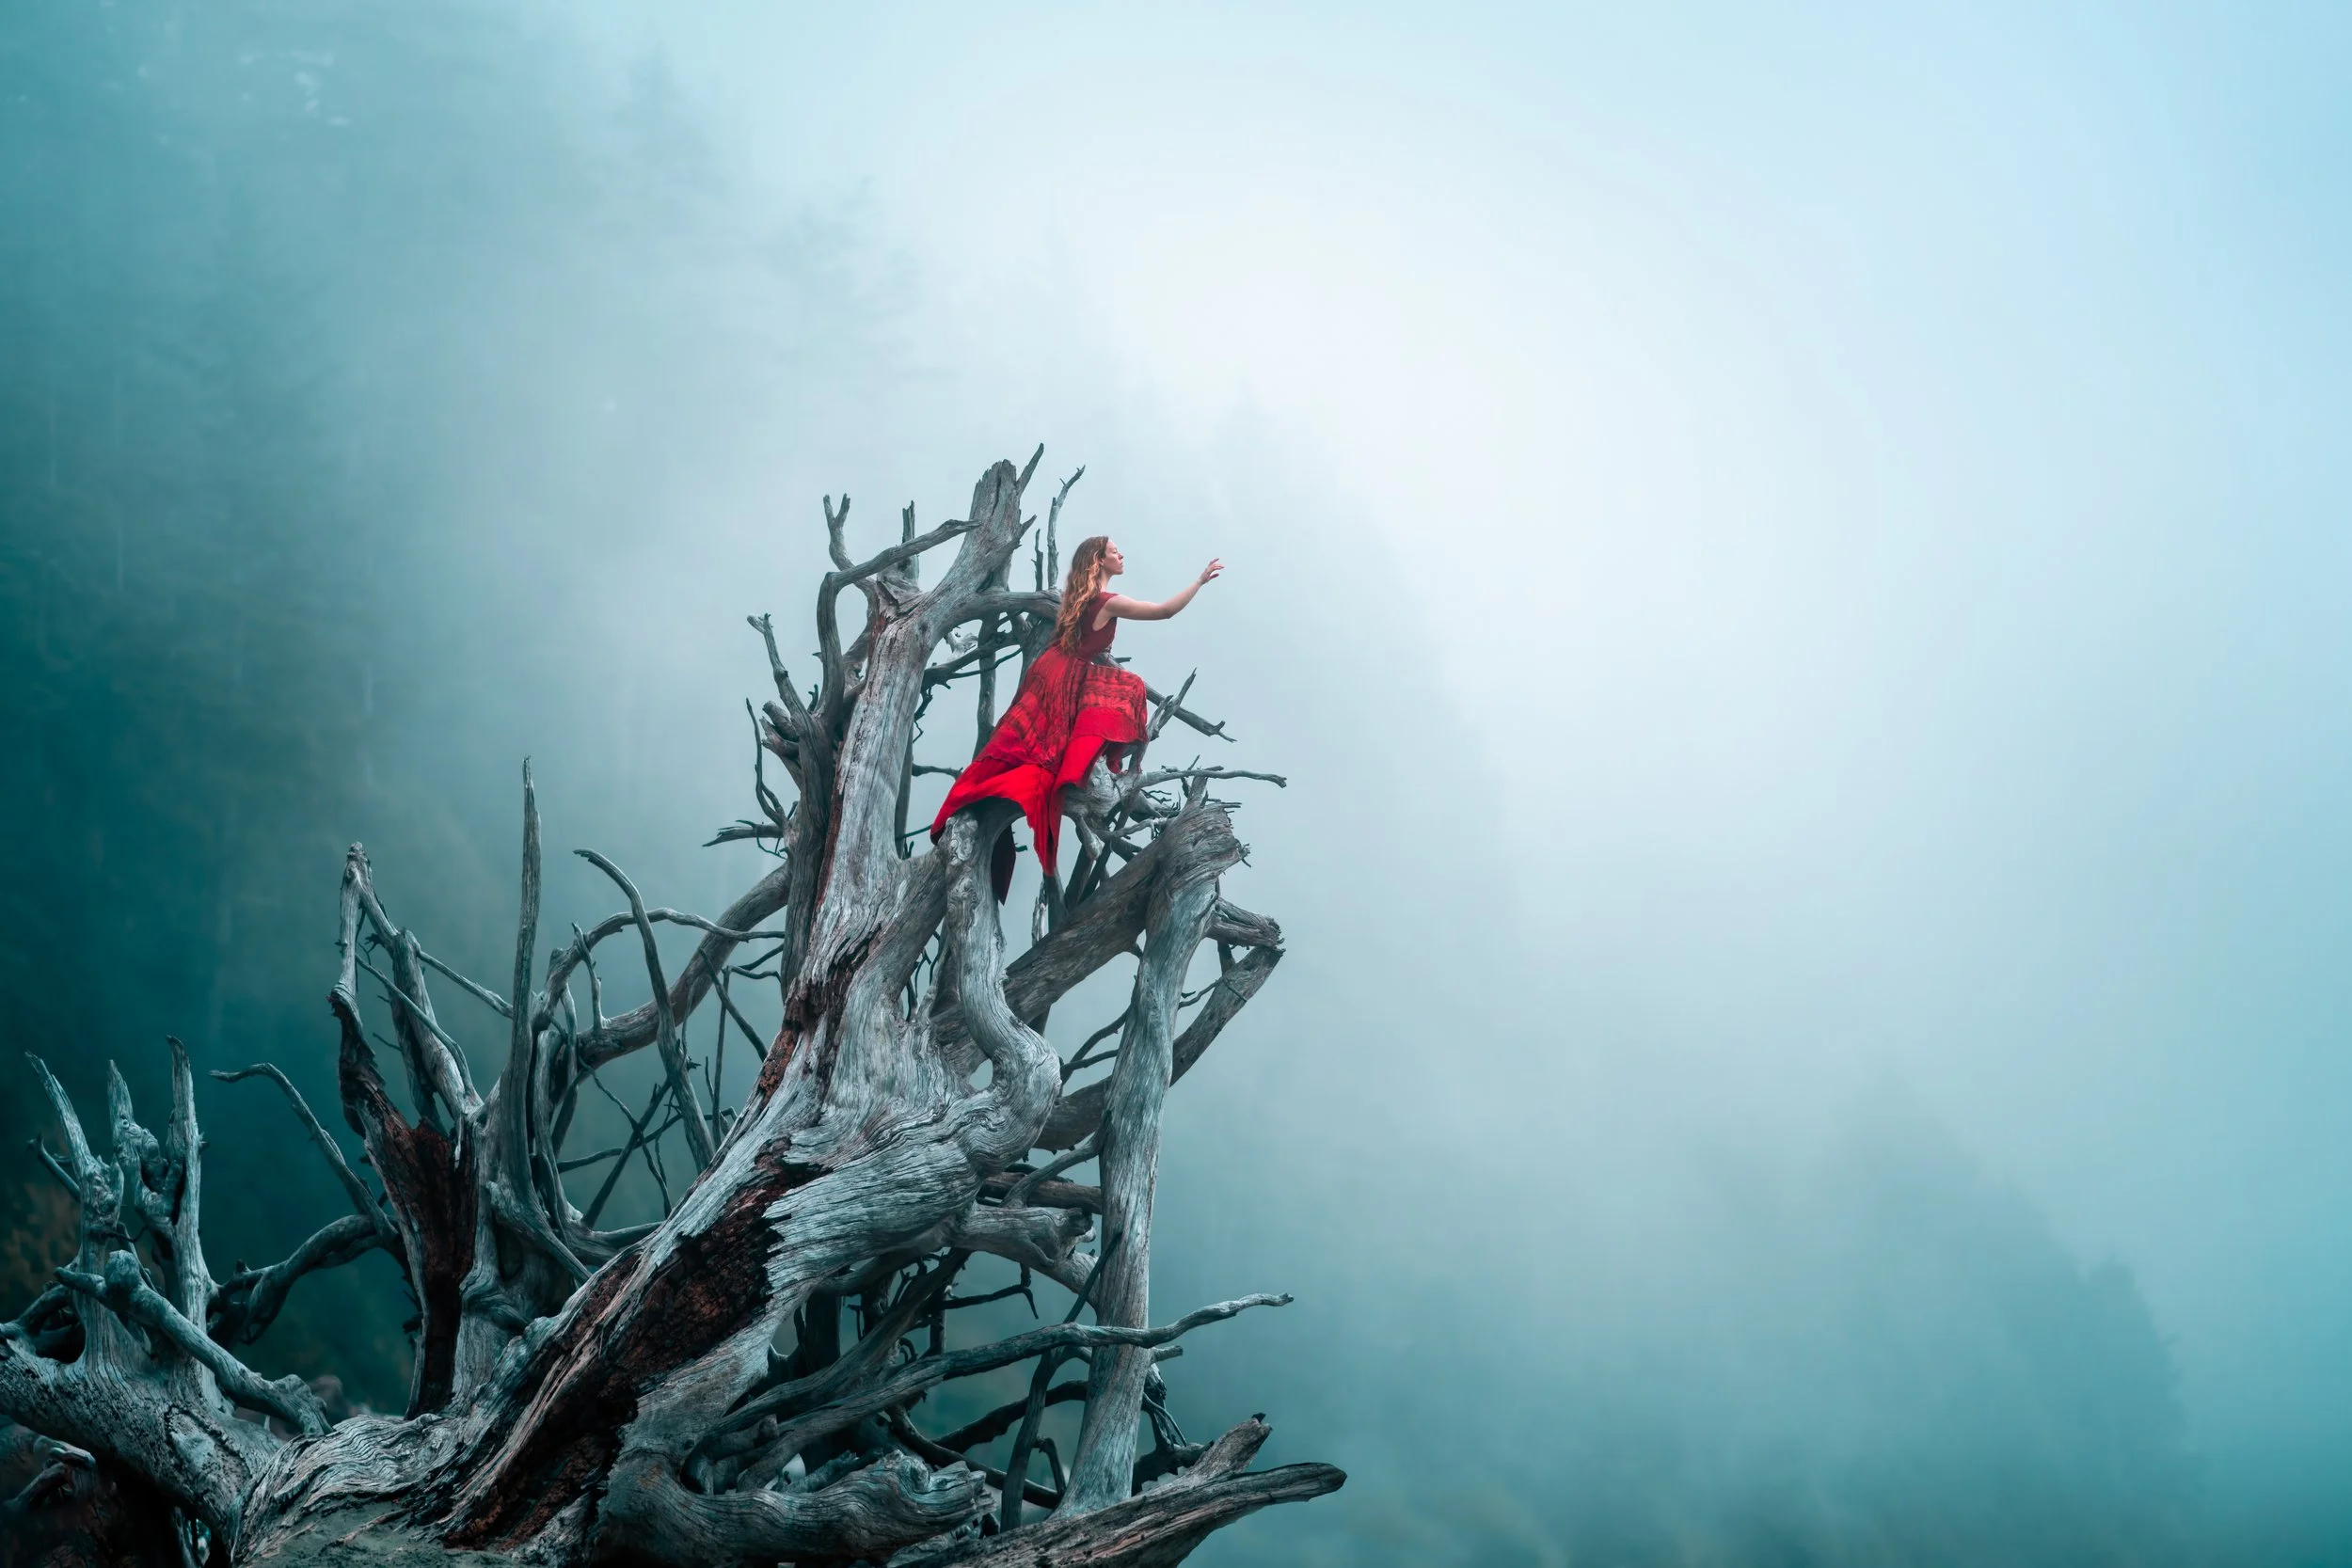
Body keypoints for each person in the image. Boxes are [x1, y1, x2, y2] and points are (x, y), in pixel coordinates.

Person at [931, 536, 1221, 897]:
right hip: (1064, 678)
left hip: (1048, 669)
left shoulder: (1078, 598)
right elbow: (1165, 611)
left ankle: (1015, 788)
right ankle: (1080, 769)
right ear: (1100, 561)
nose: (1122, 554)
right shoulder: (1107, 602)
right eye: (1116, 551)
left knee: (1022, 746)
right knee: (1127, 688)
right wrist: (1198, 581)